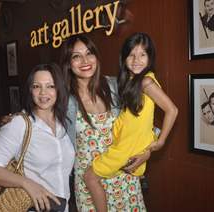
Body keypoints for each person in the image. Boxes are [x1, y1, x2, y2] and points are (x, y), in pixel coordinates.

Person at [82, 32, 178, 212]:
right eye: (131, 54)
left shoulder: (146, 82)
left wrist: (161, 142)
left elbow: (172, 110)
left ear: (150, 57)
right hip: (127, 146)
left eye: (143, 54)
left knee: (89, 177)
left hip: (125, 149)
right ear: (124, 57)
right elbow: (143, 118)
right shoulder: (132, 80)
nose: (136, 60)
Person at [61, 34, 153, 211]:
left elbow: (145, 122)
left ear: (96, 56)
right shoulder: (65, 99)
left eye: (89, 53)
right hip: (90, 184)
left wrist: (147, 152)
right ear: (68, 63)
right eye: (76, 56)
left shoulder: (115, 86)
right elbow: (39, 114)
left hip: (124, 179)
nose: (85, 61)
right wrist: (16, 119)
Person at [0, 63, 75, 212]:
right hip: (33, 207)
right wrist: (27, 183)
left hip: (61, 207)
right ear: (30, 90)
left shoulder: (63, 122)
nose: (43, 93)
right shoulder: (20, 124)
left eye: (50, 86)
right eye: (37, 86)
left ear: (59, 89)